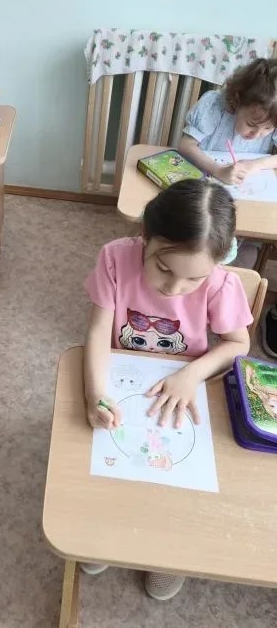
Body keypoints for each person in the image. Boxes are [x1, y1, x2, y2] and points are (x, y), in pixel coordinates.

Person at [82, 178, 252, 601]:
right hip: (123, 378)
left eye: (194, 279)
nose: (174, 288)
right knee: (110, 457)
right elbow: (99, 331)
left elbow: (238, 344)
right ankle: (102, 537)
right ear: (145, 236)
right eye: (163, 268)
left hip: (182, 387)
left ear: (216, 264)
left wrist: (192, 374)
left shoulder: (221, 283)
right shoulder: (114, 258)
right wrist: (94, 394)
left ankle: (167, 558)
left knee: (177, 476)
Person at [173, 58, 277, 184]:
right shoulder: (214, 106)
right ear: (237, 101)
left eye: (268, 128)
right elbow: (186, 146)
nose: (256, 134)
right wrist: (218, 170)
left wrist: (257, 164)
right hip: (204, 179)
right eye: (251, 124)